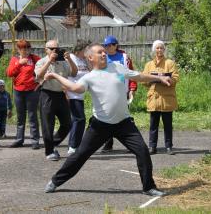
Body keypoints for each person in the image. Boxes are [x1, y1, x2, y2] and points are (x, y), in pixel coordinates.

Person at [43, 43, 171, 196]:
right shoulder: (89, 78)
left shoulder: (117, 67)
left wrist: (159, 78)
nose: (103, 54)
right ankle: (55, 181)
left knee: (142, 151)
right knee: (79, 155)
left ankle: (148, 187)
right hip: (100, 126)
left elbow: (139, 76)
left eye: (104, 52)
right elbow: (75, 88)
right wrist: (54, 75)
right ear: (90, 57)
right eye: (99, 52)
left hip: (124, 123)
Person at [35, 39, 77, 160]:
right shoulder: (41, 61)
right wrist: (49, 61)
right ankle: (49, 152)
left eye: (57, 49)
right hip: (47, 94)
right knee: (48, 124)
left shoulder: (63, 62)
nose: (55, 51)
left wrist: (69, 59)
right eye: (52, 49)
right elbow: (39, 76)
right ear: (46, 50)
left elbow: (74, 73)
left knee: (68, 123)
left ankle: (52, 144)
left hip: (60, 94)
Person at [101, 35, 137, 153]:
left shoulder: (124, 57)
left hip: (122, 92)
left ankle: (130, 144)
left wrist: (132, 89)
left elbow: (131, 73)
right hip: (107, 93)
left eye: (109, 45)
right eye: (105, 45)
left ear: (116, 45)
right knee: (107, 118)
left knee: (124, 119)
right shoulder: (103, 57)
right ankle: (108, 143)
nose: (107, 47)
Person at [142, 40, 179, 155]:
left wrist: (168, 80)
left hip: (167, 99)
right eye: (157, 48)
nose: (159, 50)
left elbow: (176, 77)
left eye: (161, 48)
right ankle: (152, 147)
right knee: (153, 125)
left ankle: (169, 147)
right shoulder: (149, 65)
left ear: (164, 50)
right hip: (154, 99)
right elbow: (143, 79)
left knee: (168, 125)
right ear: (154, 50)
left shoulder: (170, 63)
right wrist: (150, 80)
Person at [6, 39, 41, 149]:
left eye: (27, 48)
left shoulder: (35, 59)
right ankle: (19, 139)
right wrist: (18, 64)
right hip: (18, 91)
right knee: (20, 117)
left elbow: (44, 69)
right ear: (18, 49)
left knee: (32, 116)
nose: (25, 50)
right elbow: (9, 73)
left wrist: (39, 80)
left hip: (32, 91)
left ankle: (35, 141)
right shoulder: (14, 59)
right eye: (22, 48)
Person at [66, 40, 90, 155]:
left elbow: (92, 71)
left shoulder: (83, 60)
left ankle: (75, 144)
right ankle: (73, 146)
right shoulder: (70, 58)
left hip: (80, 94)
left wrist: (87, 59)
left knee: (77, 119)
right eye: (86, 50)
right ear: (79, 49)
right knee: (79, 119)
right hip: (72, 93)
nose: (88, 52)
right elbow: (68, 75)